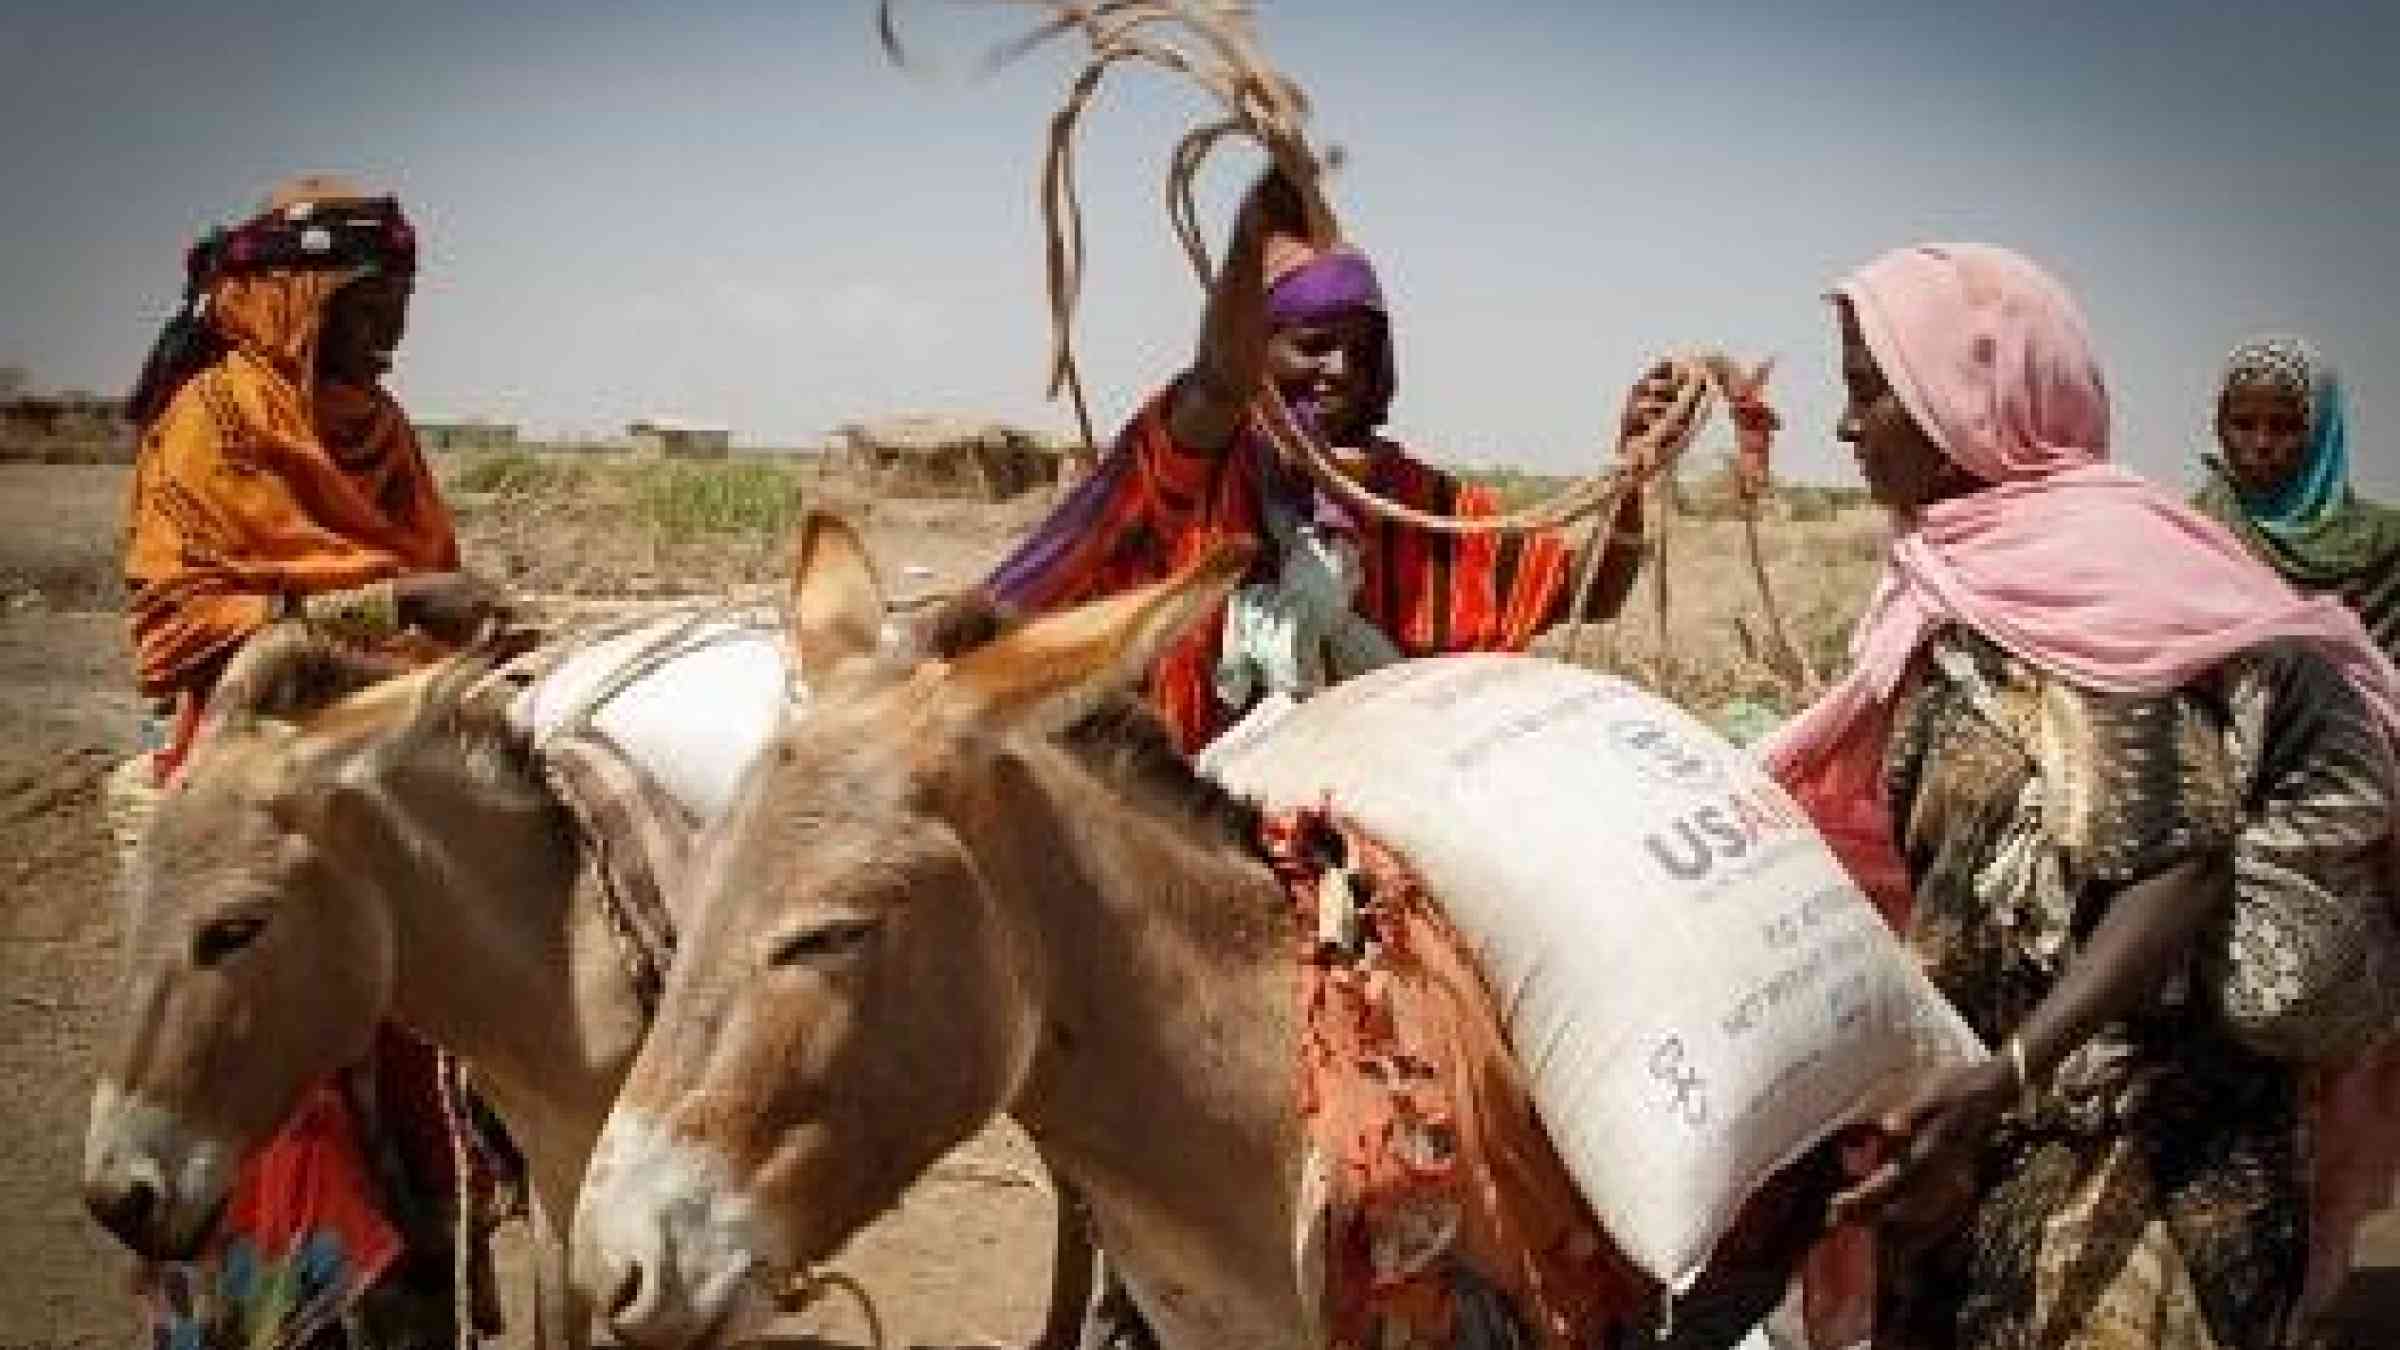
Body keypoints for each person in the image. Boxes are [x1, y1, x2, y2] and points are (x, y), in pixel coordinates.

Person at [1759, 243, 2400, 1349]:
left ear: (1965, 403)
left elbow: (2178, 862)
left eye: (1870, 391)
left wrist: (2001, 1079)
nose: (1847, 426)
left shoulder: (2091, 582)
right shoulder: (1958, 577)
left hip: (2139, 1177)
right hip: (1999, 1148)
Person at [113, 175, 514, 1350]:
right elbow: (178, 625)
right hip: (247, 768)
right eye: (374, 299)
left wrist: (473, 631)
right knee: (268, 1043)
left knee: (420, 1029)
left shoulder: (379, 434)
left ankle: (405, 1299)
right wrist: (391, 600)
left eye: (404, 299)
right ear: (299, 297)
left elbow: (432, 583)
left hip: (378, 765)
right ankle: (273, 1320)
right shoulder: (214, 418)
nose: (395, 327)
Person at [985, 168, 1759, 753]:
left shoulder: (1421, 508)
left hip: (1365, 832)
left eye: (1362, 348)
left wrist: (1629, 472)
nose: (1341, 370)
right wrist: (1251, 234)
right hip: (1192, 836)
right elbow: (1217, 385)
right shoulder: (1200, 475)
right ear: (1259, 346)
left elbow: (1588, 595)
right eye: (1313, 344)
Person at [2194, 334, 2400, 665]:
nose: (2261, 443)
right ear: (2219, 426)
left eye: (2284, 426)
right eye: (2243, 424)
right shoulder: (2195, 531)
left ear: (2322, 433)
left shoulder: (2386, 544)